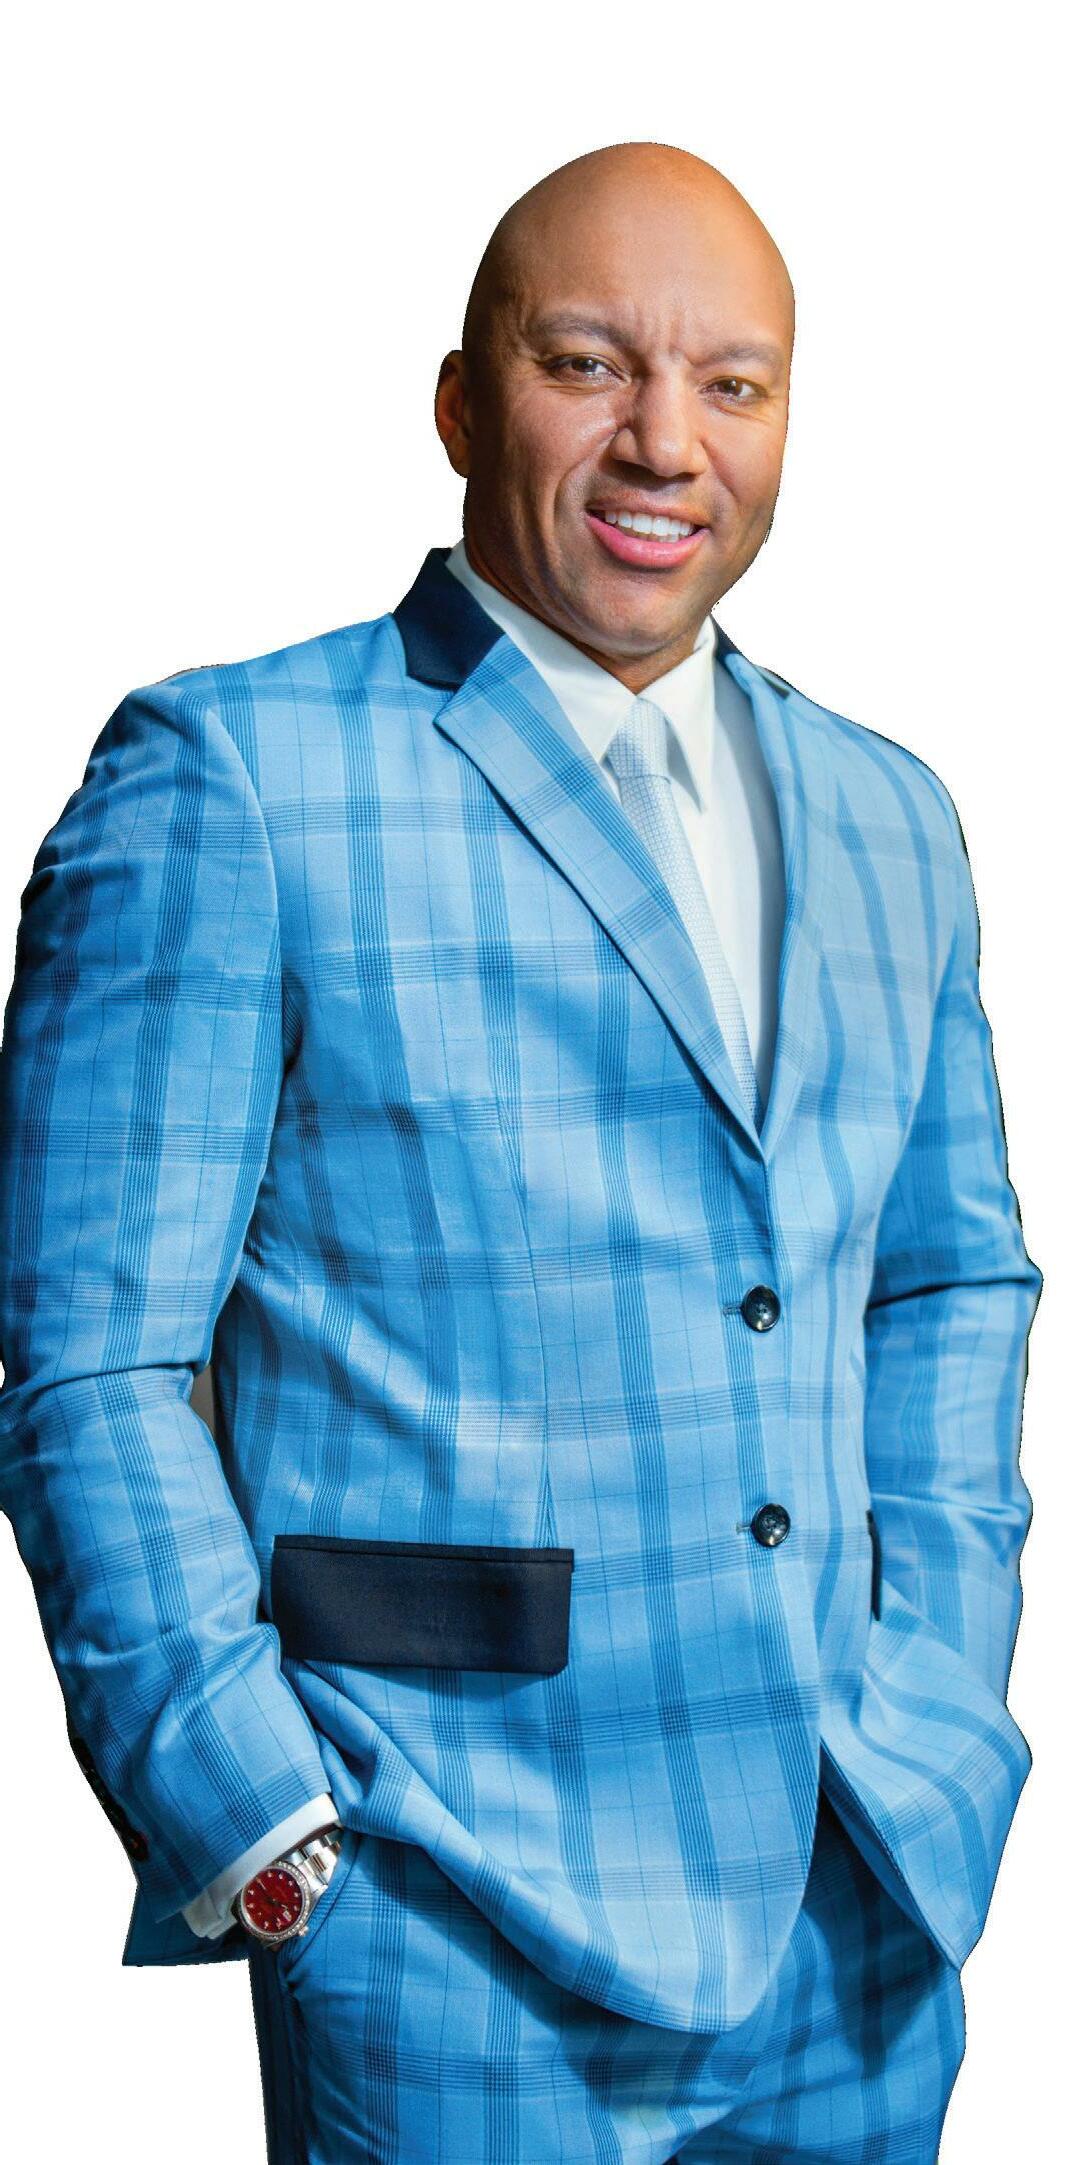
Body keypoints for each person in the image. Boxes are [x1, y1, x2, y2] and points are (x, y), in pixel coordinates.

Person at [0, 139, 1042, 2163]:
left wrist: (944, 1700)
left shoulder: (894, 814)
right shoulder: (234, 778)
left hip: (859, 1911)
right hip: (445, 1910)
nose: (665, 440)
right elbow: (95, 1361)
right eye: (589, 364)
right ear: (463, 405)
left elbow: (944, 1282)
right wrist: (254, 1822)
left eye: (731, 383)